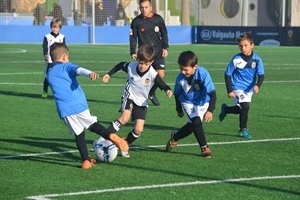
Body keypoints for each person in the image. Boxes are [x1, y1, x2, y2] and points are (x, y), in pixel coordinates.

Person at [47, 43, 129, 169]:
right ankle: (112, 137)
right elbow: (78, 70)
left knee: (79, 133)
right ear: (64, 57)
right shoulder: (66, 66)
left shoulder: (50, 73)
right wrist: (90, 73)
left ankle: (86, 160)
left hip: (64, 110)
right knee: (92, 124)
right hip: (78, 104)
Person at [102, 45, 173, 157]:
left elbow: (160, 82)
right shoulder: (131, 66)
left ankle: (125, 143)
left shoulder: (153, 73)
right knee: (124, 118)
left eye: (146, 64)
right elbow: (121, 65)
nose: (143, 66)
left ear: (151, 62)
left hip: (142, 100)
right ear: (137, 59)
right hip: (129, 94)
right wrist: (108, 74)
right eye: (141, 63)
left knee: (139, 129)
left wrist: (167, 89)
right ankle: (103, 138)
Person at [165, 50, 216, 158]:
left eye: (185, 69)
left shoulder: (203, 73)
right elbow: (177, 94)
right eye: (181, 69)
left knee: (192, 126)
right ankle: (204, 148)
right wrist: (178, 109)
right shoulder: (180, 78)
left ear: (194, 67)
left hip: (203, 102)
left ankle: (175, 137)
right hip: (187, 102)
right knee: (197, 122)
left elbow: (213, 94)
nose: (183, 72)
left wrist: (210, 110)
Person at [218, 33, 265, 139]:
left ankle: (226, 110)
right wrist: (229, 90)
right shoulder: (236, 59)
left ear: (252, 45)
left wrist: (258, 85)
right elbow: (227, 74)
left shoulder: (257, 59)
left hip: (249, 88)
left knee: (242, 109)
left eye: (245, 45)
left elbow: (261, 75)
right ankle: (243, 130)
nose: (243, 48)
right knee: (245, 107)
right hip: (237, 86)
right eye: (240, 46)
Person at [130, 0, 169, 106]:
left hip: (158, 52)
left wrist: (166, 47)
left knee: (160, 74)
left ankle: (151, 93)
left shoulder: (158, 19)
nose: (144, 9)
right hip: (145, 54)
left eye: (146, 7)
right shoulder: (136, 21)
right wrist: (133, 51)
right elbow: (133, 37)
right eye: (141, 7)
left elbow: (164, 33)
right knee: (143, 76)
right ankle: (135, 96)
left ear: (151, 7)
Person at [41, 18, 66, 98]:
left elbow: (64, 48)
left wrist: (65, 57)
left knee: (60, 76)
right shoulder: (47, 36)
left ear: (59, 28)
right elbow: (45, 47)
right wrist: (45, 55)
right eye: (53, 27)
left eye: (56, 27)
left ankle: (59, 93)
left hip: (59, 61)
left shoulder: (62, 37)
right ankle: (45, 91)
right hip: (50, 60)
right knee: (48, 76)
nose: (55, 29)